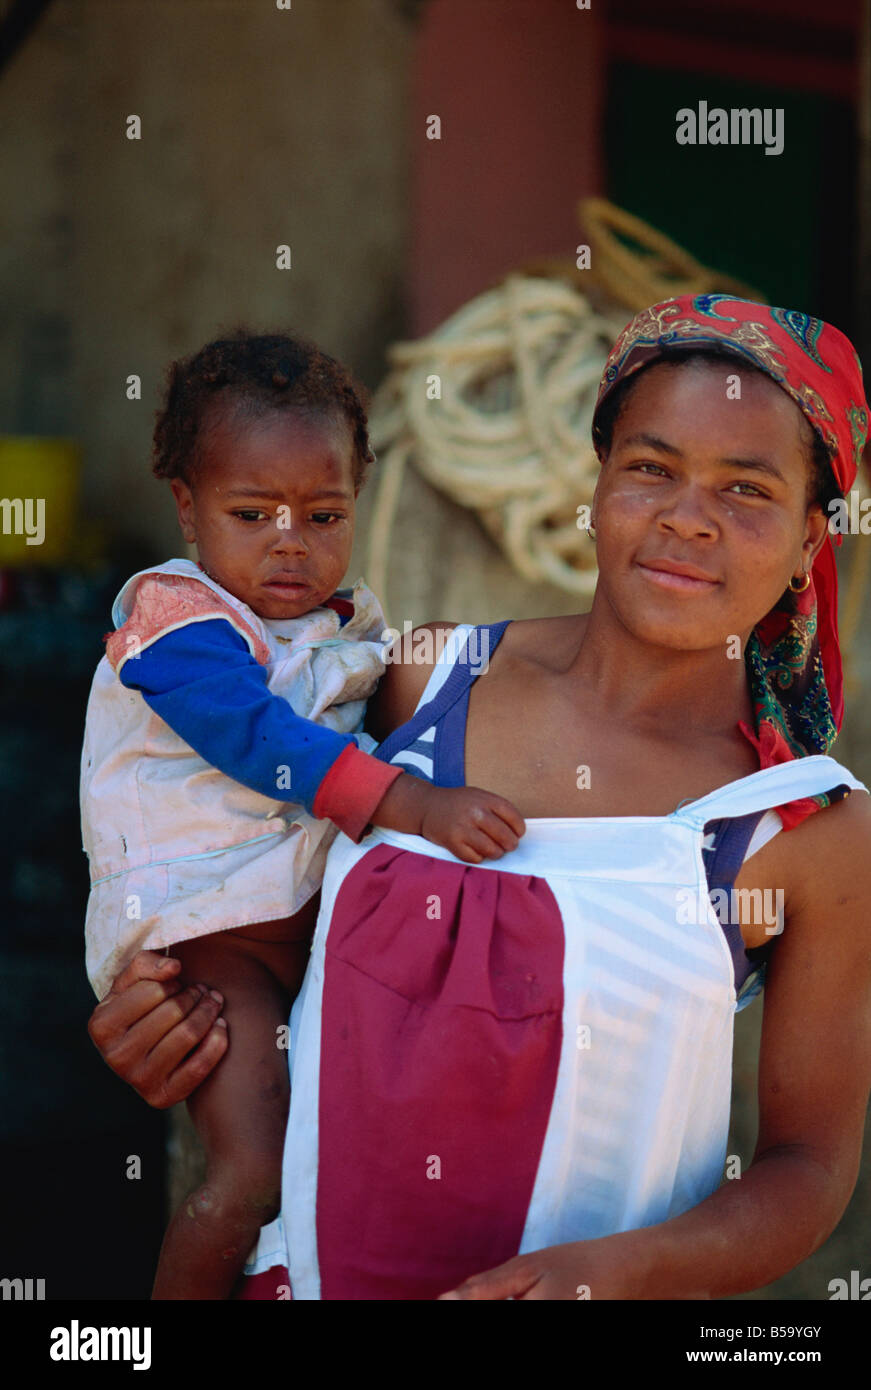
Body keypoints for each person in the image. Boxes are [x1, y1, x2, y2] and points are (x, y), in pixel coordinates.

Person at [88, 296, 871, 1300]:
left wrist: (620, 1270)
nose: (686, 515)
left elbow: (806, 1170)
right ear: (594, 486)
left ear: (813, 535)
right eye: (649, 468)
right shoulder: (421, 678)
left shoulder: (802, 824)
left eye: (747, 488)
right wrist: (164, 1007)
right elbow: (251, 888)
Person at [80, 328, 524, 1300]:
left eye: (324, 513)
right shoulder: (174, 617)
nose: (291, 539)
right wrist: (407, 802)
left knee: (352, 1168)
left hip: (317, 934)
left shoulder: (347, 624)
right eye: (253, 512)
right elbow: (253, 736)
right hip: (210, 942)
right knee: (250, 1171)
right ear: (187, 509)